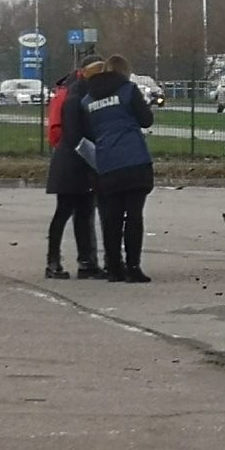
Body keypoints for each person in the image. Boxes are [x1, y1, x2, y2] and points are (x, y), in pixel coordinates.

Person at [81, 54, 155, 283]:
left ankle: (114, 267)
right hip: (134, 159)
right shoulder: (128, 90)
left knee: (111, 218)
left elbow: (89, 132)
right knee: (134, 216)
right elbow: (146, 120)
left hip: (107, 163)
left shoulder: (87, 101)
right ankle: (133, 267)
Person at [44, 54, 106, 279]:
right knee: (66, 212)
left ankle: (84, 262)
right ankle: (55, 262)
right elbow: (74, 135)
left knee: (82, 212)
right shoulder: (76, 97)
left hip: (76, 161)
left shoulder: (81, 94)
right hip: (72, 162)